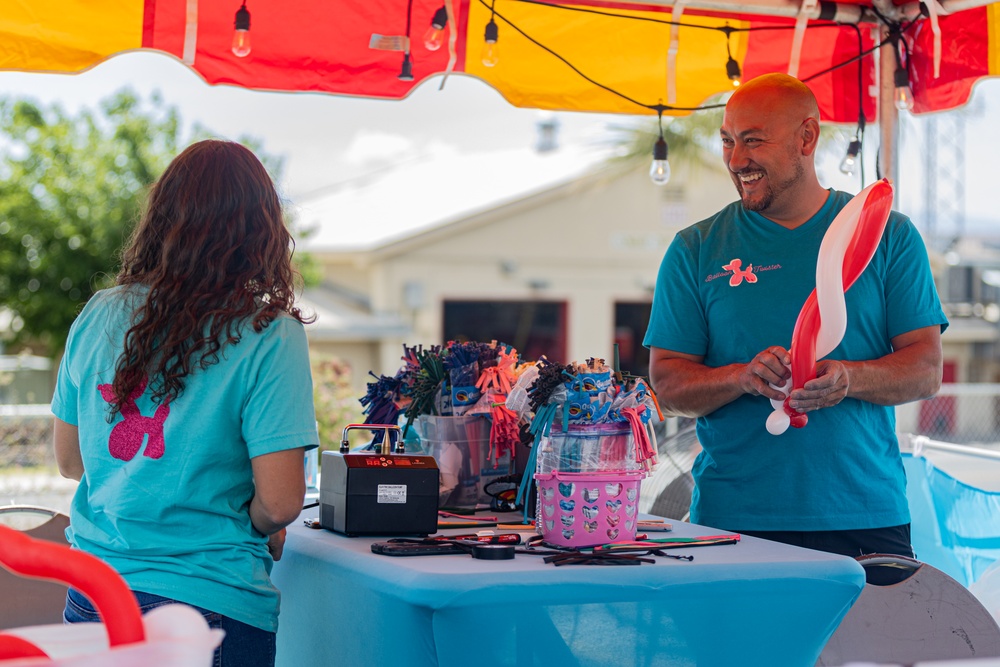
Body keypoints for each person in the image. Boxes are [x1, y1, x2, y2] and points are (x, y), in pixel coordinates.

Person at [643, 73, 948, 565]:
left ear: (807, 137)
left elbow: (926, 370)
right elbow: (667, 386)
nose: (737, 160)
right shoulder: (695, 249)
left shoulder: (887, 236)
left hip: (864, 516)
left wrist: (850, 378)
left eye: (753, 141)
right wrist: (741, 377)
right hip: (733, 520)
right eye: (727, 141)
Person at [51, 140, 318, 666]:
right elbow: (282, 502)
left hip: (95, 598)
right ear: (262, 231)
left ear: (162, 220)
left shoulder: (100, 313)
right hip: (207, 605)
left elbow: (70, 460)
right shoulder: (269, 334)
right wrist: (258, 522)